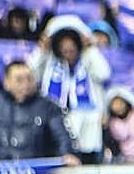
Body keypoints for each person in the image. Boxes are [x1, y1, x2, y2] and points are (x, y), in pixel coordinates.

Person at [0, 60, 80, 164]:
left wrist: (67, 155)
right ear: (6, 82)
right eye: (19, 80)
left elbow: (61, 137)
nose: (26, 84)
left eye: (29, 79)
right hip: (1, 173)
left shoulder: (48, 107)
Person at [33, 16, 110, 163]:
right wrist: (41, 51)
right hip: (55, 123)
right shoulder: (49, 62)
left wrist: (91, 48)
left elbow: (104, 73)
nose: (68, 52)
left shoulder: (87, 59)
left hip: (88, 125)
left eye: (72, 48)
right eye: (64, 49)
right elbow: (31, 74)